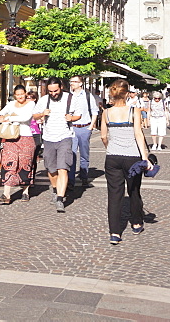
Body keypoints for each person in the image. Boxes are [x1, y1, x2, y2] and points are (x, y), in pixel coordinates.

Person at [100, 79, 152, 245]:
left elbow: (103, 136)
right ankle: (136, 222)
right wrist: (145, 157)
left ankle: (115, 232)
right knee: (134, 190)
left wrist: (110, 147)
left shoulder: (106, 113)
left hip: (113, 157)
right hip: (132, 157)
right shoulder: (134, 111)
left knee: (114, 194)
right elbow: (138, 134)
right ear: (127, 93)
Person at [33, 78, 76, 212]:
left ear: (61, 87)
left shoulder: (70, 98)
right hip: (48, 138)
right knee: (51, 169)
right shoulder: (43, 100)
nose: (53, 94)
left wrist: (72, 118)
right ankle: (55, 189)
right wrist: (42, 114)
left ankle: (60, 199)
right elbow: (34, 116)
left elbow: (78, 115)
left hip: (65, 136)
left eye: (56, 91)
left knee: (63, 168)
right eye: (50, 91)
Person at [0, 84, 37, 203]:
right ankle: (6, 194)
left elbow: (26, 117)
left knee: (25, 164)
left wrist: (10, 118)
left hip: (26, 137)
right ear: (15, 95)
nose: (20, 97)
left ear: (25, 94)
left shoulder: (31, 104)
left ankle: (25, 191)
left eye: (22, 94)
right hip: (11, 137)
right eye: (17, 95)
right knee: (8, 163)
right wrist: (3, 116)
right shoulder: (11, 104)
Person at [67, 76, 101, 186]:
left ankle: (84, 176)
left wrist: (91, 126)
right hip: (72, 128)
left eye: (75, 82)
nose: (72, 83)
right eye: (71, 81)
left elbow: (95, 111)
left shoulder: (87, 96)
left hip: (85, 127)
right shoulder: (68, 96)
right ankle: (70, 181)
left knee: (84, 154)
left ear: (81, 84)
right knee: (71, 154)